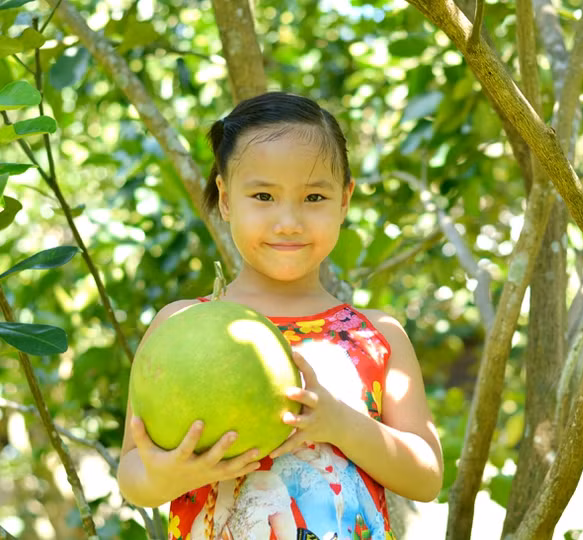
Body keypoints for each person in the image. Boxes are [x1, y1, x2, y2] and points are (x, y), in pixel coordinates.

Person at [116, 92, 444, 540]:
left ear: (344, 200)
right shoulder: (180, 325)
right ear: (226, 199)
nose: (288, 221)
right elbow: (133, 475)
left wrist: (339, 423)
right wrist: (173, 473)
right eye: (264, 195)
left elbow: (426, 478)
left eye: (314, 196)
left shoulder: (375, 336)